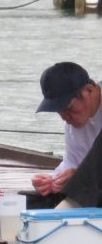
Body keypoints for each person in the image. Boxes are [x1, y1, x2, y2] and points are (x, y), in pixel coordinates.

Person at [31, 62, 102, 196]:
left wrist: (80, 178)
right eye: (58, 111)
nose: (64, 118)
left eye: (68, 108)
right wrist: (51, 181)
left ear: (89, 90)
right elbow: (72, 161)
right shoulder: (76, 122)